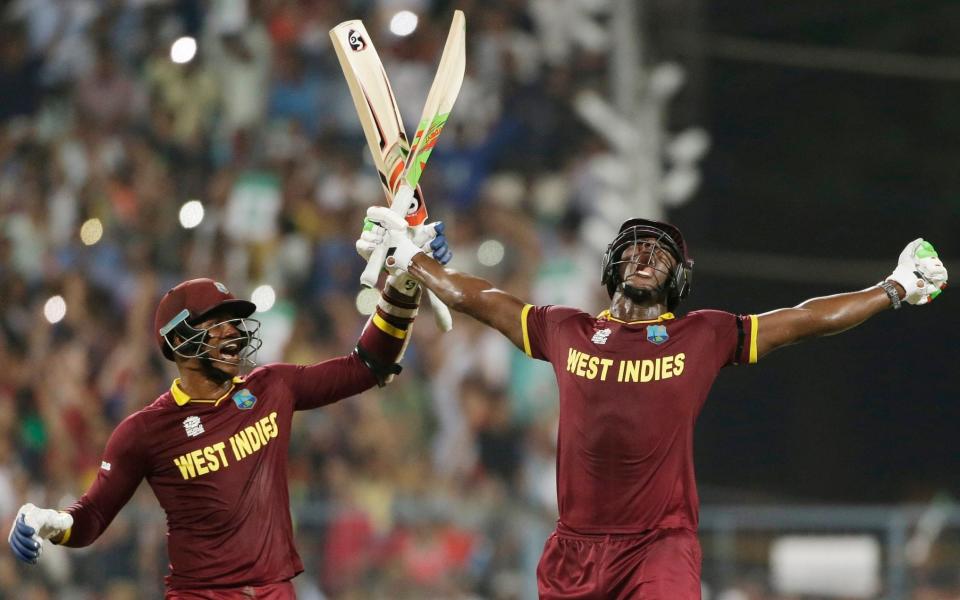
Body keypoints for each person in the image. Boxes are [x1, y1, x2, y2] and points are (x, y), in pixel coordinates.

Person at [356, 209, 948, 599]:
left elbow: (801, 321)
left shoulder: (705, 334)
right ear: (615, 265)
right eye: (637, 249)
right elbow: (481, 298)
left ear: (677, 280)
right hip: (574, 548)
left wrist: (890, 289)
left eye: (661, 255)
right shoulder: (567, 328)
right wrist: (414, 260)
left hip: (658, 545)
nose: (647, 257)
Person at [7, 226, 452, 599]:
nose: (232, 333)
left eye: (233, 322)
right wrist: (51, 521)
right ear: (177, 340)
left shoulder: (272, 387)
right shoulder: (144, 431)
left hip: (277, 592)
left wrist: (404, 284)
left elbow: (366, 366)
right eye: (216, 323)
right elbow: (92, 519)